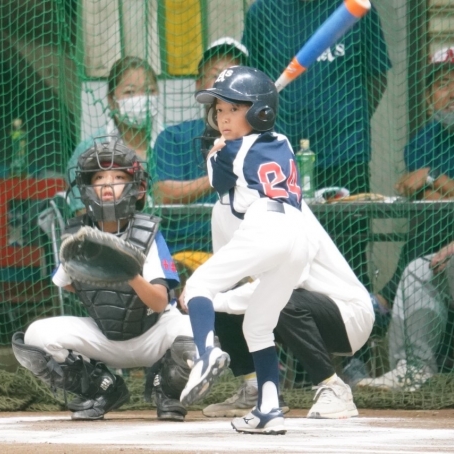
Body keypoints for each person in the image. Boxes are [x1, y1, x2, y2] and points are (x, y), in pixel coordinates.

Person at [12, 137, 195, 421]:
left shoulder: (148, 233)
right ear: (87, 187)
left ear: (136, 187)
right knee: (35, 336)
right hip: (105, 336)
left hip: (153, 334)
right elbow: (67, 283)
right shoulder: (78, 235)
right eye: (99, 178)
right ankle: (103, 388)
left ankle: (167, 391)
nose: (108, 184)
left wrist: (128, 274)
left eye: (119, 177)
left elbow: (159, 303)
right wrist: (101, 278)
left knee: (196, 330)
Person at [179, 65, 309, 435]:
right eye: (219, 110)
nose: (223, 118)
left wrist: (216, 152)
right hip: (297, 237)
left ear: (260, 112)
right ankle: (269, 409)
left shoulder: (229, 151)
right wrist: (234, 134)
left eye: (234, 110)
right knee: (258, 326)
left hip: (265, 226)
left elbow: (220, 185)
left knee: (198, 286)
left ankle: (206, 355)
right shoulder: (282, 142)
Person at [358, 45, 454, 391]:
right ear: (428, 97)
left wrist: (436, 179)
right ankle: (413, 368)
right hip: (447, 241)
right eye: (443, 84)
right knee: (416, 272)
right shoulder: (422, 141)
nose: (453, 94)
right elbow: (431, 203)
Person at [242, 0, 391, 290]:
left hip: (345, 153)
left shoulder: (353, 7)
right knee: (285, 255)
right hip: (280, 159)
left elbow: (377, 78)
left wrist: (343, 121)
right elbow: (253, 85)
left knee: (347, 254)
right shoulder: (264, 11)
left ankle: (352, 317)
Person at [201, 195, 375, 419]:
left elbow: (292, 280)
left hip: (347, 315)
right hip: (288, 308)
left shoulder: (287, 202)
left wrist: (217, 300)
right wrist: (205, 298)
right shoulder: (221, 208)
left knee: (278, 298)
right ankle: (257, 389)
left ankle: (333, 387)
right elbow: (226, 277)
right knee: (220, 300)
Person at [152, 37, 248, 254]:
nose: (224, 85)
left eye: (234, 77)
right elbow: (163, 194)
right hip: (186, 252)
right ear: (199, 86)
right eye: (216, 76)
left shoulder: (263, 140)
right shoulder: (173, 138)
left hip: (245, 251)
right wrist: (219, 176)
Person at [67, 56, 162, 213]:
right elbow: (83, 214)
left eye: (149, 91)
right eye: (129, 92)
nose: (141, 99)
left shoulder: (174, 143)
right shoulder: (90, 150)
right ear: (112, 100)